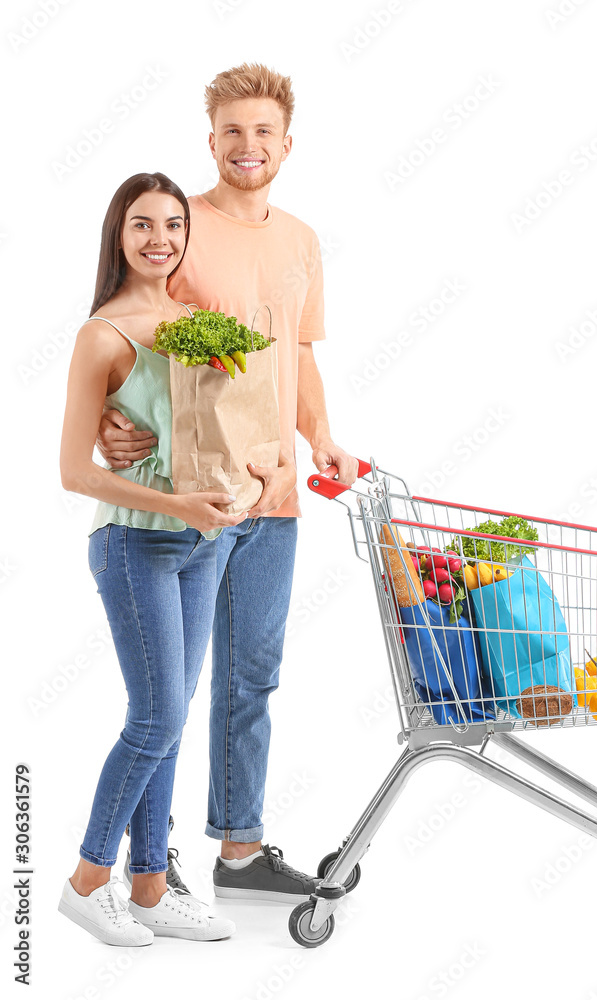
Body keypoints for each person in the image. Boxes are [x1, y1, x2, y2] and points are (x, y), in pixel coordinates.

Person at [97, 63, 358, 901]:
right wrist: (110, 419)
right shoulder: (183, 226)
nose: (249, 148)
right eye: (232, 133)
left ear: (287, 144)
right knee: (171, 694)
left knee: (254, 677)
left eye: (263, 133)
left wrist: (320, 436)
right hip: (190, 495)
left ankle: (239, 850)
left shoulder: (303, 241)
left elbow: (300, 354)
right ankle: (150, 854)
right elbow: (129, 327)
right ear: (210, 141)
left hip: (273, 496)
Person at [58, 172, 240, 946]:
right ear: (118, 236)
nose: (160, 238)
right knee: (157, 715)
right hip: (134, 541)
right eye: (142, 224)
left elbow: (231, 422)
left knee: (171, 719)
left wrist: (245, 482)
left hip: (206, 542)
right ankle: (85, 880)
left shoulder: (203, 324)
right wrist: (176, 505)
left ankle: (151, 887)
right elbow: (74, 471)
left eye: (173, 224)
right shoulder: (103, 334)